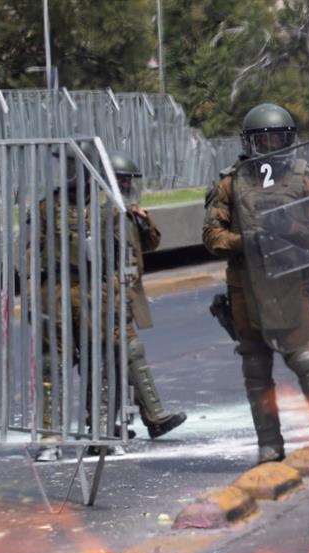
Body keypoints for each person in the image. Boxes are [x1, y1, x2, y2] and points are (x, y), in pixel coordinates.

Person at [202, 103, 309, 479]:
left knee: (307, 364)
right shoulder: (230, 182)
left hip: (289, 283)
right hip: (245, 286)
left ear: (290, 141)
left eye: (277, 140)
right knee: (255, 367)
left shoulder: (305, 179)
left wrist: (290, 230)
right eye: (262, 140)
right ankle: (270, 446)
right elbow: (211, 236)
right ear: (249, 143)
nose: (270, 147)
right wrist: (245, 241)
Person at [33, 141, 120, 461]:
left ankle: (100, 430)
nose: (65, 172)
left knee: (99, 360)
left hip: (92, 289)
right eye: (63, 166)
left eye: (71, 165)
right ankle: (49, 436)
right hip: (54, 288)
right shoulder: (46, 207)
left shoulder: (106, 207)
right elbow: (30, 250)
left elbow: (122, 253)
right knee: (50, 364)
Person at [109, 150, 187, 439]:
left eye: (130, 182)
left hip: (128, 293)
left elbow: (150, 244)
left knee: (119, 358)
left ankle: (133, 419)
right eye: (123, 182)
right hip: (108, 296)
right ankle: (153, 416)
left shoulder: (127, 213)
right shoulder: (103, 213)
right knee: (127, 353)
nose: (128, 187)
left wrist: (144, 220)